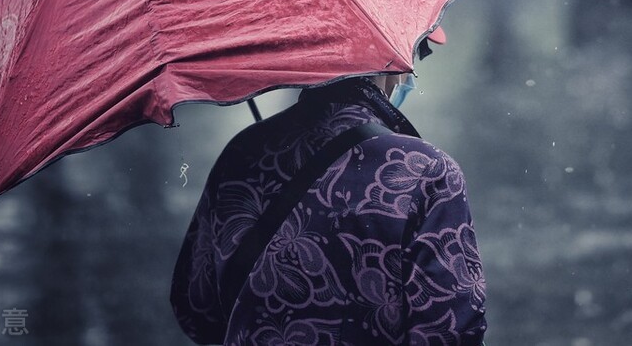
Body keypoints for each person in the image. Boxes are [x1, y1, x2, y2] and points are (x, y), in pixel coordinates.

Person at [170, 33, 487, 345]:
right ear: (393, 48)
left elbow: (198, 310)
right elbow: (450, 332)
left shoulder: (242, 153)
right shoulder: (426, 172)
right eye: (420, 49)